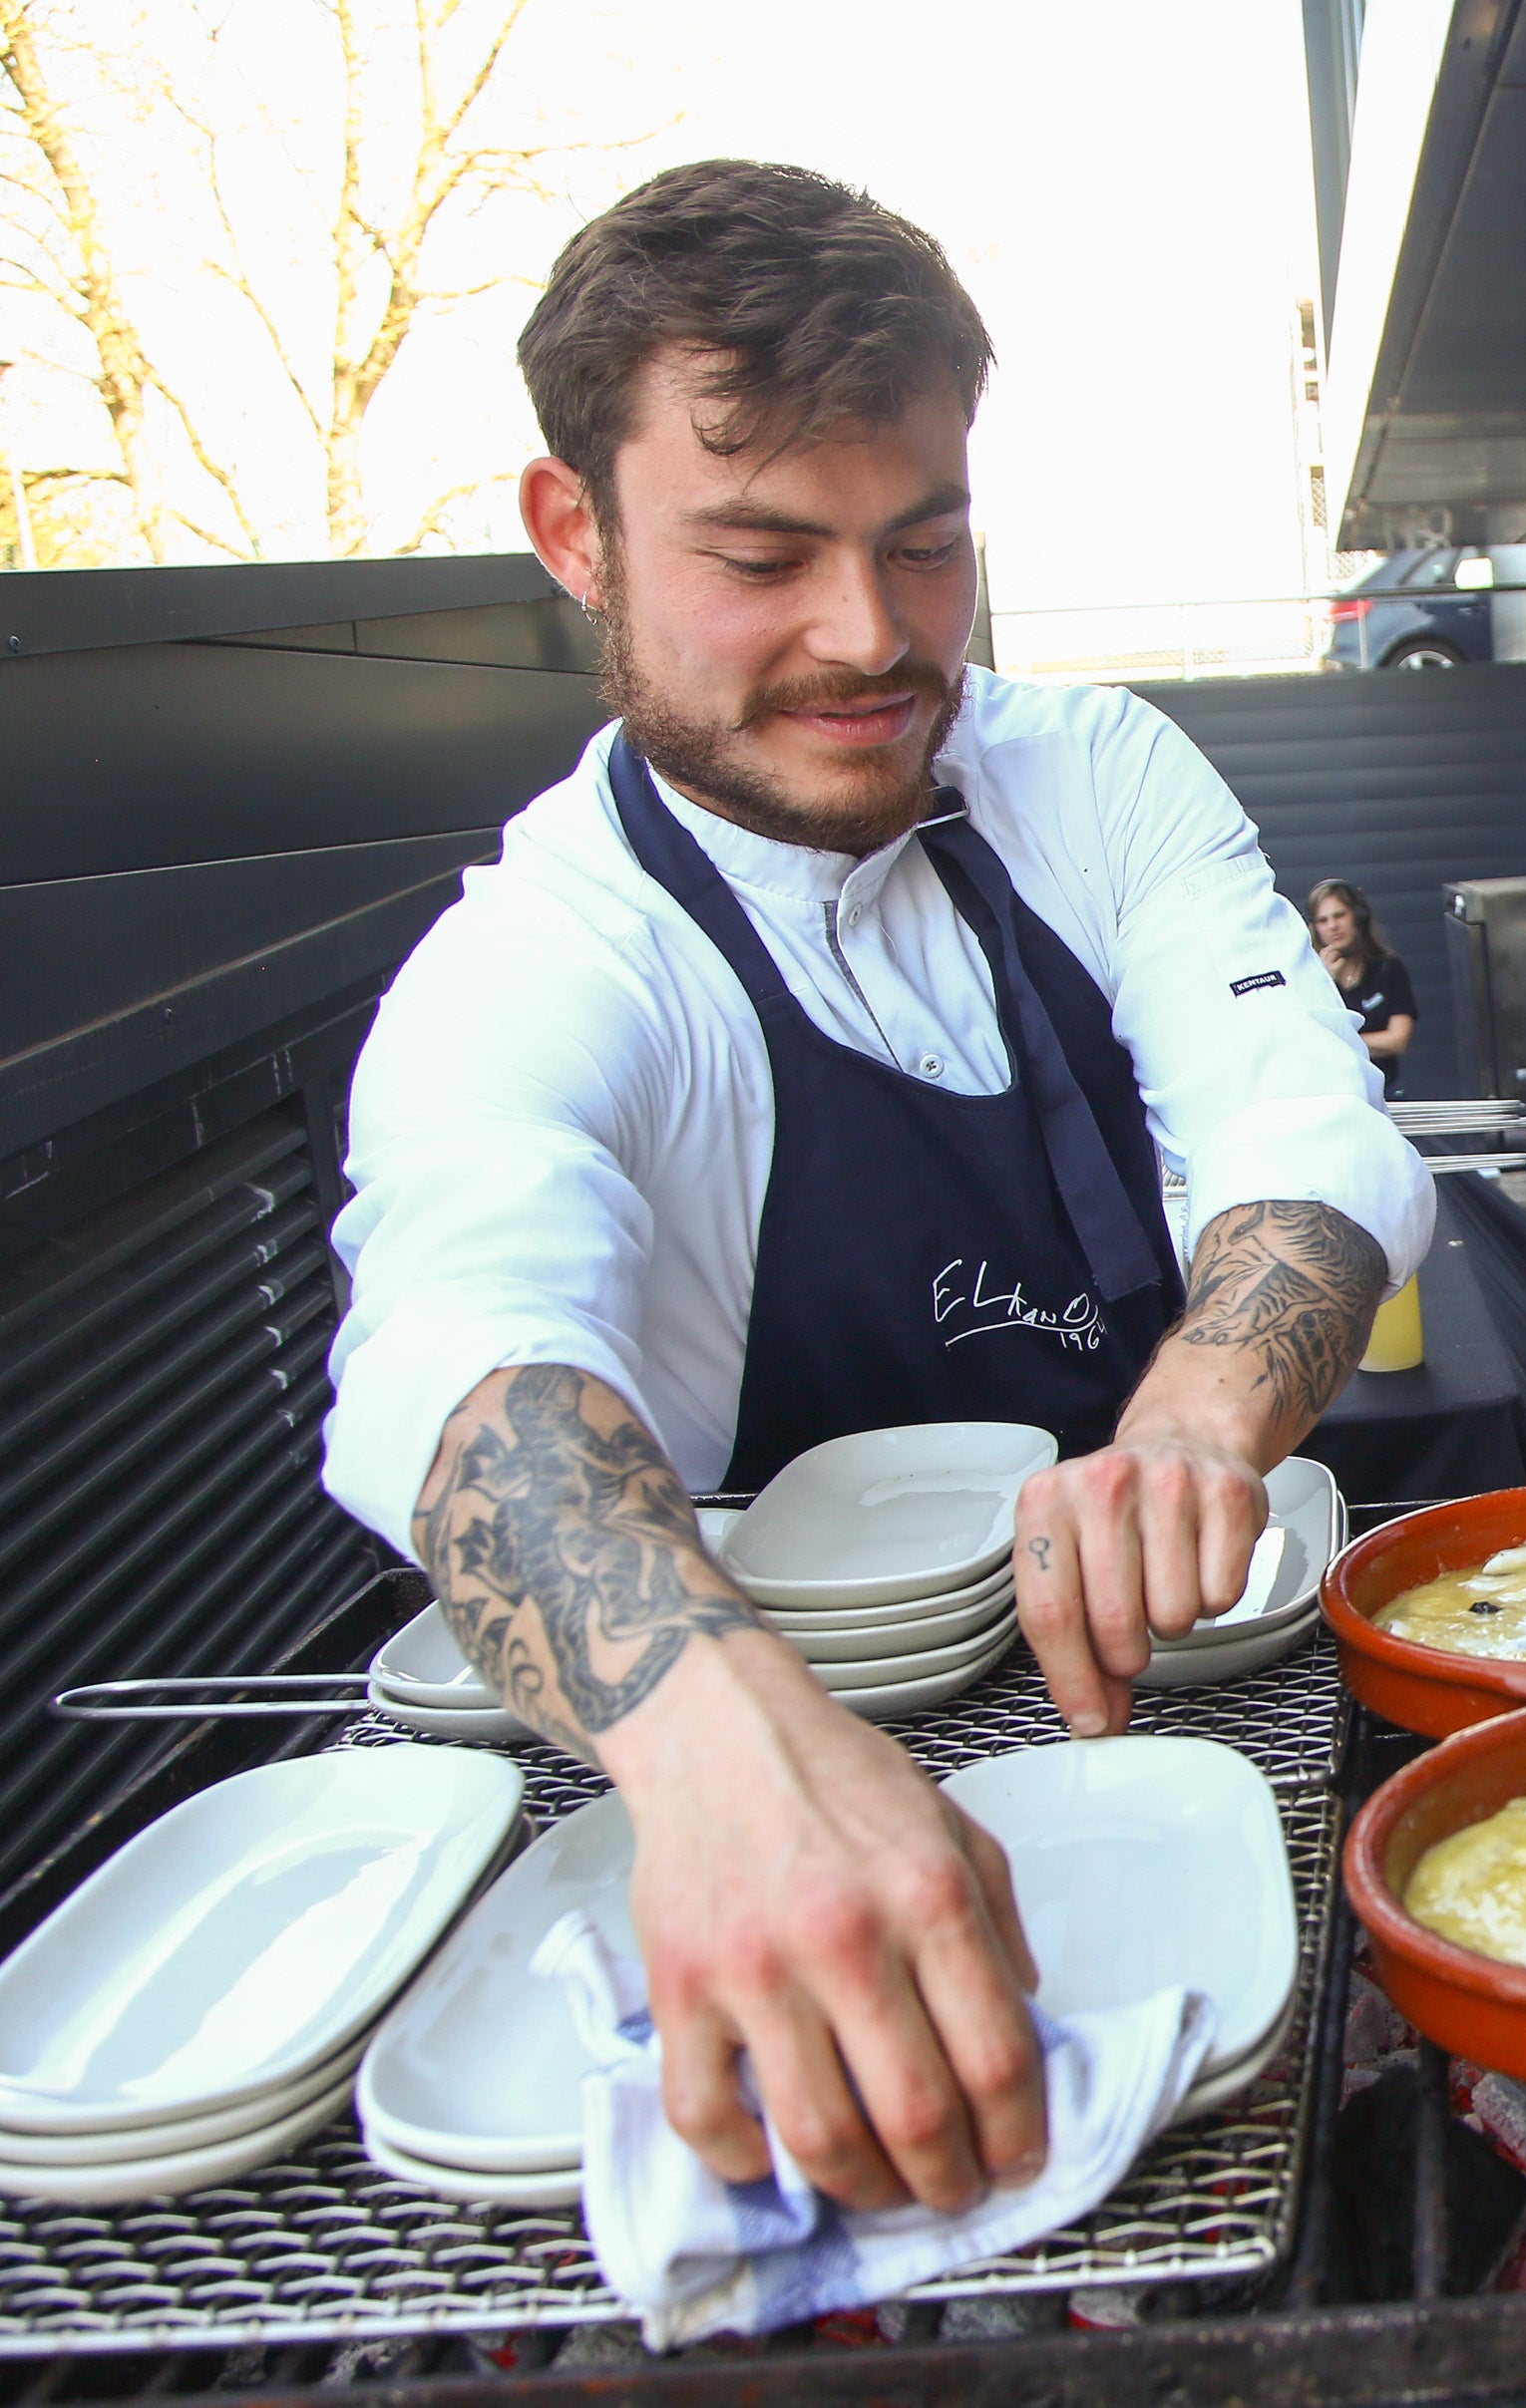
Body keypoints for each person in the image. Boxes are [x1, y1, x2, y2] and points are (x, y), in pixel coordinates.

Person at [319, 162, 1433, 2218]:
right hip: (717, 1829)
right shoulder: (547, 954)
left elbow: (1299, 1134)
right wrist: (722, 1752)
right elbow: (467, 1349)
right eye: (762, 556)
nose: (868, 636)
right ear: (575, 533)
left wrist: (1201, 1416)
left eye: (923, 546)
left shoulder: (1088, 777)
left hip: (1167, 1745)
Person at [1307, 878, 1416, 1097]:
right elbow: (1310, 1041)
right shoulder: (1309, 977)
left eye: (1339, 915)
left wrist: (1342, 1043)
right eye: (1323, 920)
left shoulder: (1388, 968)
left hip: (1384, 1090)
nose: (1333, 926)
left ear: (1358, 916)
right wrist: (1326, 982)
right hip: (1333, 1092)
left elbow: (1398, 1040)